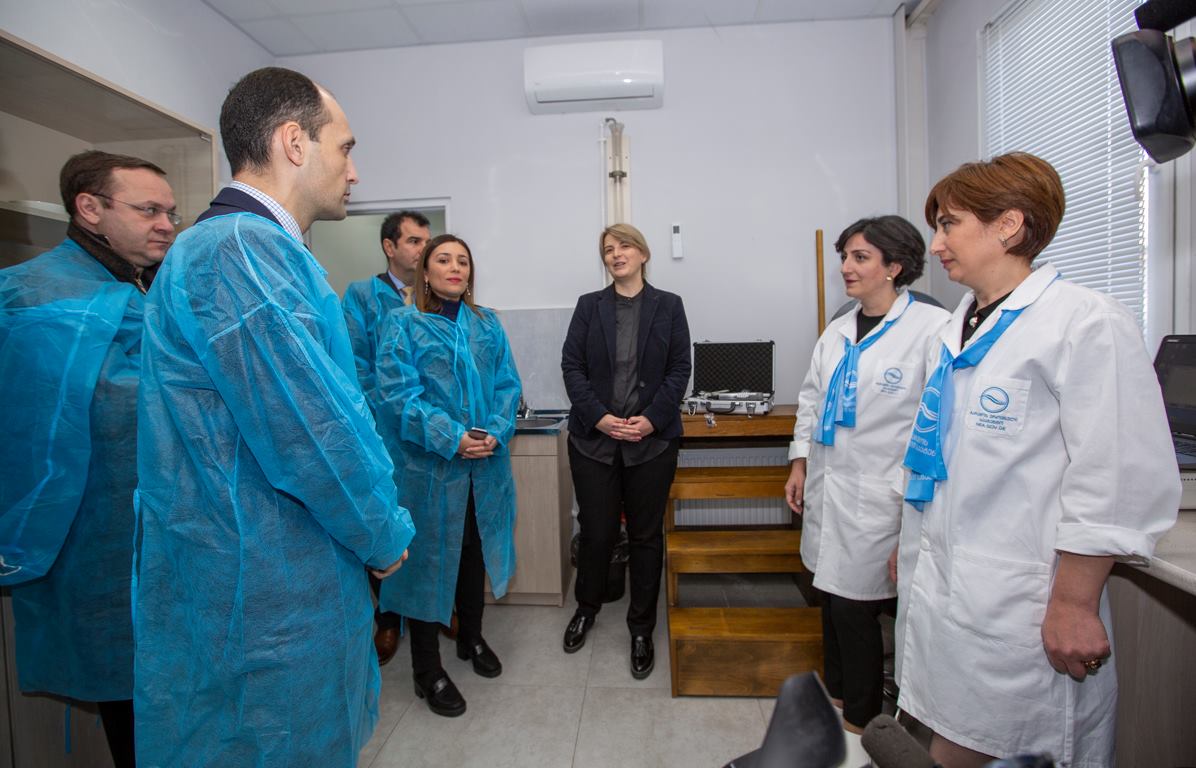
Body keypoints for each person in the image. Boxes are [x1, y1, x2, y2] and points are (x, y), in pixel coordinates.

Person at [133, 67, 415, 766]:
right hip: (266, 590)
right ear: (294, 142)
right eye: (345, 148)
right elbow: (311, 435)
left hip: (273, 572)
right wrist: (382, 533)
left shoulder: (255, 250)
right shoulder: (237, 252)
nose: (354, 172)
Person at [895, 152, 1179, 767]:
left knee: (1014, 744)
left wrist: (1074, 602)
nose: (937, 244)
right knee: (954, 730)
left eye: (949, 224)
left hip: (1022, 595)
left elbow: (1115, 477)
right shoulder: (952, 331)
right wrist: (910, 544)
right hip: (951, 582)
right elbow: (938, 457)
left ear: (1008, 225)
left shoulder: (1084, 322)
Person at [0, 150, 178, 768]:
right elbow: (98, 411)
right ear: (90, 208)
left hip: (157, 533)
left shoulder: (141, 286)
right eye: (148, 210)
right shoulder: (32, 292)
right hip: (89, 539)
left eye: (171, 213)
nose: (166, 225)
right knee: (127, 696)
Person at [784, 215, 949, 733]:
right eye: (845, 257)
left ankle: (862, 724)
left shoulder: (932, 330)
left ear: (894, 267)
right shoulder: (837, 331)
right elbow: (811, 400)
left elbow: (935, 427)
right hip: (829, 485)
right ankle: (836, 703)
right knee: (831, 600)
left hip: (883, 497)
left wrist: (916, 506)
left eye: (860, 258)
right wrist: (799, 462)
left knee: (856, 611)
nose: (846, 268)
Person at [374, 234, 522, 717]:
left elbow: (507, 386)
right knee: (428, 564)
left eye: (463, 260)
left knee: (473, 555)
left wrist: (495, 431)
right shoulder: (403, 324)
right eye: (443, 259)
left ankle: (471, 638)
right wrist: (452, 437)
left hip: (485, 468)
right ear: (426, 271)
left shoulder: (487, 324)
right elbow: (398, 397)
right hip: (430, 471)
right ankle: (426, 669)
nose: (455, 267)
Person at [560, 223, 691, 680]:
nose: (616, 254)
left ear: (643, 254)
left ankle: (641, 628)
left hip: (650, 442)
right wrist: (598, 416)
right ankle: (586, 609)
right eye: (608, 249)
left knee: (645, 536)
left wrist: (652, 418)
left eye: (624, 246)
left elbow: (679, 370)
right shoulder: (588, 306)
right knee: (596, 533)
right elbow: (571, 367)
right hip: (594, 440)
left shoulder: (669, 306)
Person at [342, 210, 432, 665]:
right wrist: (397, 409)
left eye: (426, 242)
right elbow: (354, 365)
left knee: (431, 525)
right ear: (389, 246)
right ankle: (389, 619)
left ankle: (433, 610)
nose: (422, 250)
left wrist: (431, 421)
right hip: (383, 436)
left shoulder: (434, 298)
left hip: (430, 438)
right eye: (414, 241)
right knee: (388, 523)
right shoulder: (362, 296)